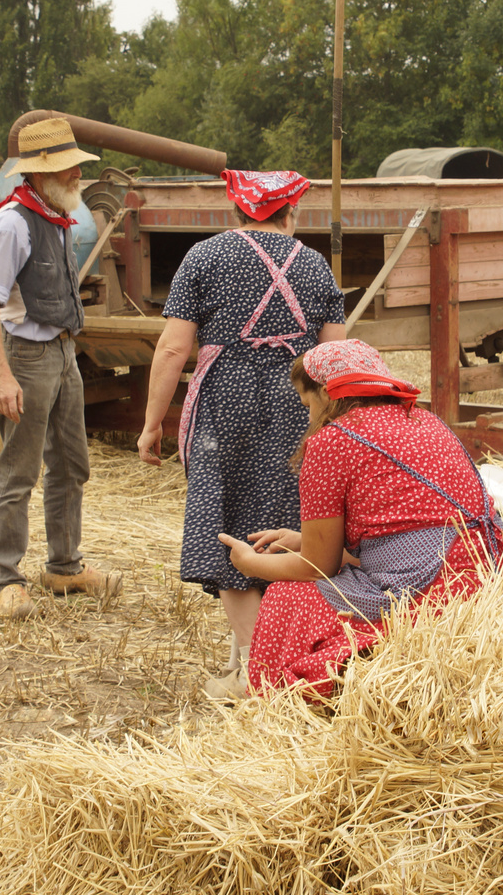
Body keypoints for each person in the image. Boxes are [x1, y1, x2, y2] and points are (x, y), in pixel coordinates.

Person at [137, 169, 345, 691]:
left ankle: (256, 669)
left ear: (238, 211)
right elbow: (336, 356)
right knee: (281, 520)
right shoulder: (317, 266)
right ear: (289, 213)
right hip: (297, 402)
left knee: (226, 519)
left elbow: (171, 349)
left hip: (224, 405)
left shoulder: (203, 257)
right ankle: (260, 657)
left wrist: (151, 424)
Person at [212, 339, 503, 700]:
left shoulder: (332, 440)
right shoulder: (424, 419)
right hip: (489, 570)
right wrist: (301, 539)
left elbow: (316, 567)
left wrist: (252, 563)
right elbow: (405, 529)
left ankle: (268, 693)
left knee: (288, 597)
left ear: (326, 393)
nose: (308, 417)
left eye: (308, 404)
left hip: (425, 588)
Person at [0, 117, 122, 620]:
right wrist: (2, 375)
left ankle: (63, 567)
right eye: (67, 168)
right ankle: (7, 580)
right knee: (19, 471)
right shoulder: (11, 223)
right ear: (39, 174)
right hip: (27, 357)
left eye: (77, 166)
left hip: (62, 355)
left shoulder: (57, 215)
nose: (77, 175)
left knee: (71, 465)